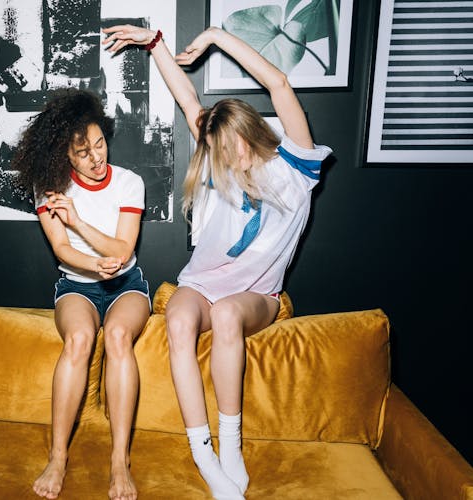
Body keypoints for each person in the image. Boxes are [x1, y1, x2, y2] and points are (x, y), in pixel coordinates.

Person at [102, 25, 332, 500]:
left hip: (255, 298)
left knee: (228, 314)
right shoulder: (215, 157)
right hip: (200, 287)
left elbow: (280, 86)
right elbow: (188, 100)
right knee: (180, 320)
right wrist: (155, 44)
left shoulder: (296, 167)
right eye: (218, 151)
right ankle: (202, 451)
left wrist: (215, 36)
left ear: (252, 133)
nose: (227, 159)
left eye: (234, 147)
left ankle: (231, 446)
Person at [11, 88, 150, 500]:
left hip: (127, 286)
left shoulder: (129, 182)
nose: (96, 157)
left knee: (120, 337)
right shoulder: (48, 187)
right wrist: (92, 262)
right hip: (76, 284)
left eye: (99, 143)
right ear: (64, 156)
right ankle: (58, 457)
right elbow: (62, 251)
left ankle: (119, 460)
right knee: (79, 339)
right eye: (82, 152)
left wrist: (79, 223)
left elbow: (122, 252)